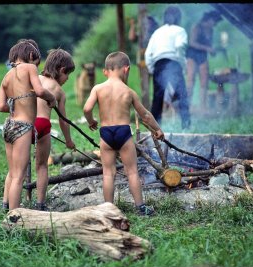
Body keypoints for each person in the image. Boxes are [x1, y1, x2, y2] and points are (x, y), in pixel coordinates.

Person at [83, 51, 164, 216]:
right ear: (126, 69)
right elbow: (145, 115)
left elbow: (86, 108)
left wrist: (91, 121)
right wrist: (157, 129)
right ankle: (141, 208)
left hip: (106, 133)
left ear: (106, 70)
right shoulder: (128, 91)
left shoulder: (98, 89)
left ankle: (108, 210)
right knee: (132, 171)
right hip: (123, 132)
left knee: (108, 173)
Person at [0, 39, 57, 211]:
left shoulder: (6, 76)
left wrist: (17, 101)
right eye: (36, 61)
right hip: (23, 127)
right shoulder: (30, 68)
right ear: (31, 55)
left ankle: (5, 205)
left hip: (9, 125)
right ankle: (14, 217)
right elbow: (39, 91)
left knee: (12, 171)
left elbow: (1, 106)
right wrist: (51, 98)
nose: (36, 65)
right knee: (19, 176)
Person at [33, 48, 76, 211]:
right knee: (42, 166)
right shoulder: (59, 91)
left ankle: (8, 203)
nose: (67, 79)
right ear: (62, 70)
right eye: (68, 75)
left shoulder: (34, 79)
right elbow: (63, 121)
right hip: (42, 125)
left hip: (25, 122)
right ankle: (40, 204)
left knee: (19, 167)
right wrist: (69, 141)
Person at [145, 5, 191, 130]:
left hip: (158, 64)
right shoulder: (180, 30)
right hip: (174, 64)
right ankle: (186, 126)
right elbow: (180, 46)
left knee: (157, 98)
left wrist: (151, 68)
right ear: (178, 18)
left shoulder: (157, 32)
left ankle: (154, 130)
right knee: (182, 95)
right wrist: (182, 65)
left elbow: (148, 53)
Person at [186, 10, 223, 111]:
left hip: (203, 57)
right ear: (210, 19)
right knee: (190, 81)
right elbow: (192, 43)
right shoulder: (197, 27)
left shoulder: (211, 30)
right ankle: (187, 106)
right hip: (192, 57)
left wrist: (212, 51)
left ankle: (203, 107)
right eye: (215, 21)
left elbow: (209, 45)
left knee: (204, 81)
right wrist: (207, 49)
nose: (215, 24)